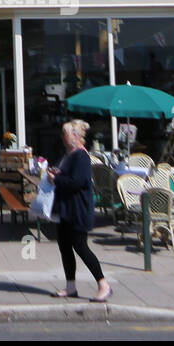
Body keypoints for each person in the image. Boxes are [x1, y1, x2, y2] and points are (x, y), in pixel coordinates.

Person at [50, 119, 111, 302]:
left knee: (81, 247)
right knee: (65, 247)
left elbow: (79, 182)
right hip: (65, 209)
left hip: (78, 209)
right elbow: (69, 176)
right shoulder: (68, 155)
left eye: (65, 134)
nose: (62, 137)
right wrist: (56, 173)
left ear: (75, 136)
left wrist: (57, 180)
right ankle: (71, 286)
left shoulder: (81, 156)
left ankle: (103, 284)